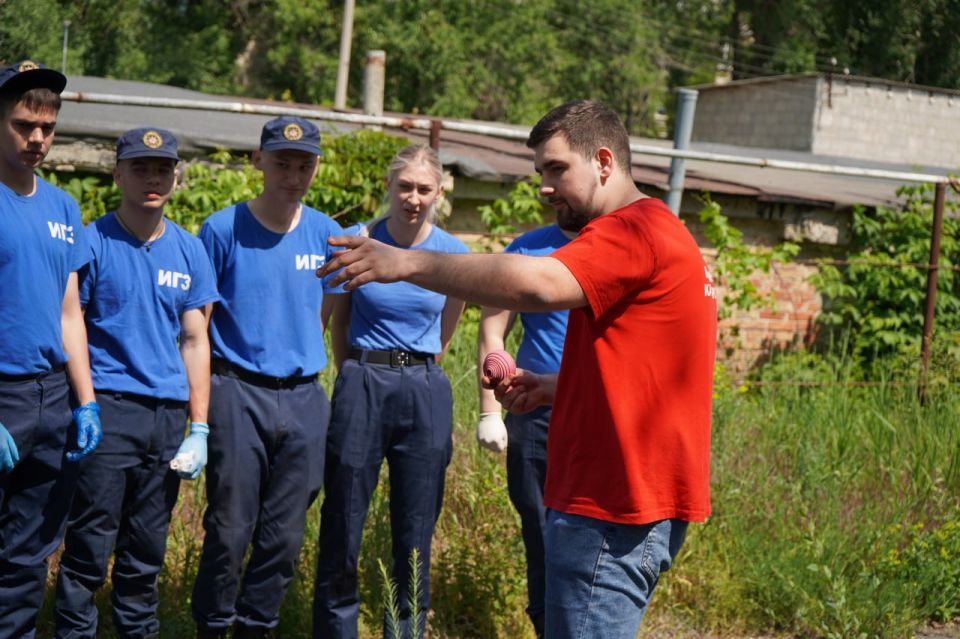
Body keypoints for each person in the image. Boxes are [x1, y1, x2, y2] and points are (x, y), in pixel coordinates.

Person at [318, 100, 717, 638]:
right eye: (540, 173)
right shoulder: (662, 230)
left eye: (557, 168)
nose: (545, 186)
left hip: (611, 504)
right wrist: (555, 387)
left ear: (603, 162)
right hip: (631, 499)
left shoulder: (632, 230)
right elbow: (647, 368)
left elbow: (538, 285)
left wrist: (405, 262)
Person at [52, 127, 219, 639]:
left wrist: (199, 427)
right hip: (109, 411)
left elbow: (195, 341)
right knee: (87, 548)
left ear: (175, 177)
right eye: (141, 168)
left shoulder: (190, 252)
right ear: (118, 173)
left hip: (166, 420)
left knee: (146, 552)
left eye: (163, 169)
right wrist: (86, 403)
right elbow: (71, 323)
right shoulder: (92, 241)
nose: (152, 178)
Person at [191, 116, 342, 639]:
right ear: (259, 161)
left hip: (302, 397)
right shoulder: (222, 229)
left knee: (285, 536)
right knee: (231, 529)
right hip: (238, 390)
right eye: (282, 162)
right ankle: (213, 623)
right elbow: (200, 322)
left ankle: (258, 625)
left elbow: (323, 314)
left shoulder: (327, 233)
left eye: (304, 165)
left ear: (316, 168)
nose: (293, 175)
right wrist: (201, 410)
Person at [313, 144, 468, 639]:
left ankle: (403, 631)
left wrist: (412, 365)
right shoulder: (355, 242)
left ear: (438, 193)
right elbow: (336, 321)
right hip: (363, 381)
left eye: (424, 189)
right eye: (405, 187)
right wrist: (355, 372)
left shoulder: (454, 255)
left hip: (423, 387)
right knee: (343, 521)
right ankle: (336, 629)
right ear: (389, 187)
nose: (413, 198)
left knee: (415, 530)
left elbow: (446, 331)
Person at [0, 60, 102, 639]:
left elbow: (70, 313)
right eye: (22, 125)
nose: (37, 138)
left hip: (52, 400)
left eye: (47, 127)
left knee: (27, 555)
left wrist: (85, 402)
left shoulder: (64, 208)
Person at [475, 222, 573, 639]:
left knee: (589, 532)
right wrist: (488, 412)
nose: (548, 188)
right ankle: (546, 626)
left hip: (597, 414)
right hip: (533, 410)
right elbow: (493, 327)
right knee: (539, 529)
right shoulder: (528, 249)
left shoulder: (616, 245)